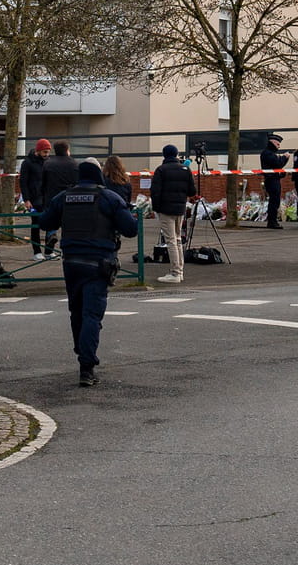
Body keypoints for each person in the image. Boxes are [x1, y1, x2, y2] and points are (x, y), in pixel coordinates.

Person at [36, 157, 139, 386]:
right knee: (92, 314)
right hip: (98, 262)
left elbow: (44, 222)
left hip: (71, 263)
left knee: (77, 311)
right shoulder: (108, 198)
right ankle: (87, 366)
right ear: (98, 174)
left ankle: (81, 349)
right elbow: (131, 229)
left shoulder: (64, 197)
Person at [149, 144, 197, 284]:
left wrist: (156, 208)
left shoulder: (161, 170)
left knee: (170, 240)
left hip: (165, 209)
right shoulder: (185, 169)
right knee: (177, 239)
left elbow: (155, 192)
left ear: (164, 155)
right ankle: (180, 271)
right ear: (176, 154)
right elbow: (192, 192)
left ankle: (175, 273)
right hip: (180, 208)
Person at [39, 140, 79, 258]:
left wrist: (43, 195)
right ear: (67, 150)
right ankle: (69, 250)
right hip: (70, 198)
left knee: (52, 222)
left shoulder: (48, 164)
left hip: (52, 198)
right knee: (69, 225)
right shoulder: (75, 164)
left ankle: (50, 244)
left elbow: (43, 183)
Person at [19, 138, 52, 260]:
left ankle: (49, 251)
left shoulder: (48, 162)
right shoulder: (28, 163)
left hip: (46, 198)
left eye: (48, 152)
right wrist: (27, 199)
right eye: (44, 152)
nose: (47, 155)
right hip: (34, 199)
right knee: (36, 225)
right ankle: (37, 251)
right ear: (38, 151)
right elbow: (23, 182)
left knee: (50, 224)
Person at [259, 133, 288, 228]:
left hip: (274, 179)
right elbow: (278, 164)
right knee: (274, 201)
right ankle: (272, 221)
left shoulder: (270, 153)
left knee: (275, 201)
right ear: (273, 142)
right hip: (271, 180)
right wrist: (285, 158)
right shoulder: (267, 153)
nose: (279, 147)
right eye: (278, 144)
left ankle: (273, 220)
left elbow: (277, 166)